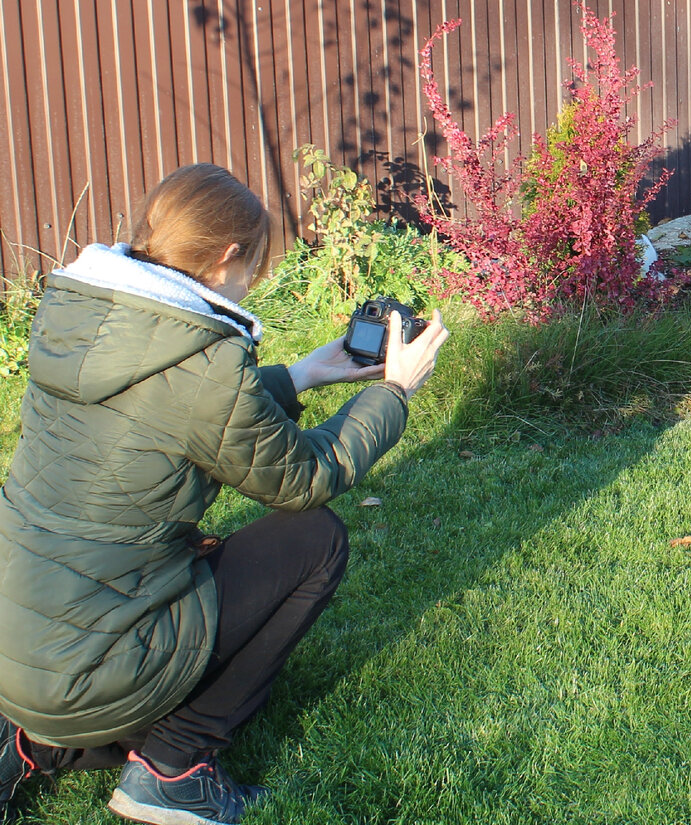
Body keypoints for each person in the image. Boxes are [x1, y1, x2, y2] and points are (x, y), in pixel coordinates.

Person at [0, 163, 449, 824]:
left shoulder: (80, 315)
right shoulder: (203, 361)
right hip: (95, 665)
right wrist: (393, 392)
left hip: (16, 642)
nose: (252, 280)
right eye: (254, 267)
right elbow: (303, 478)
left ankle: (25, 737)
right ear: (226, 258)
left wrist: (303, 374)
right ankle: (173, 766)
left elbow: (166, 415)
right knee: (314, 538)